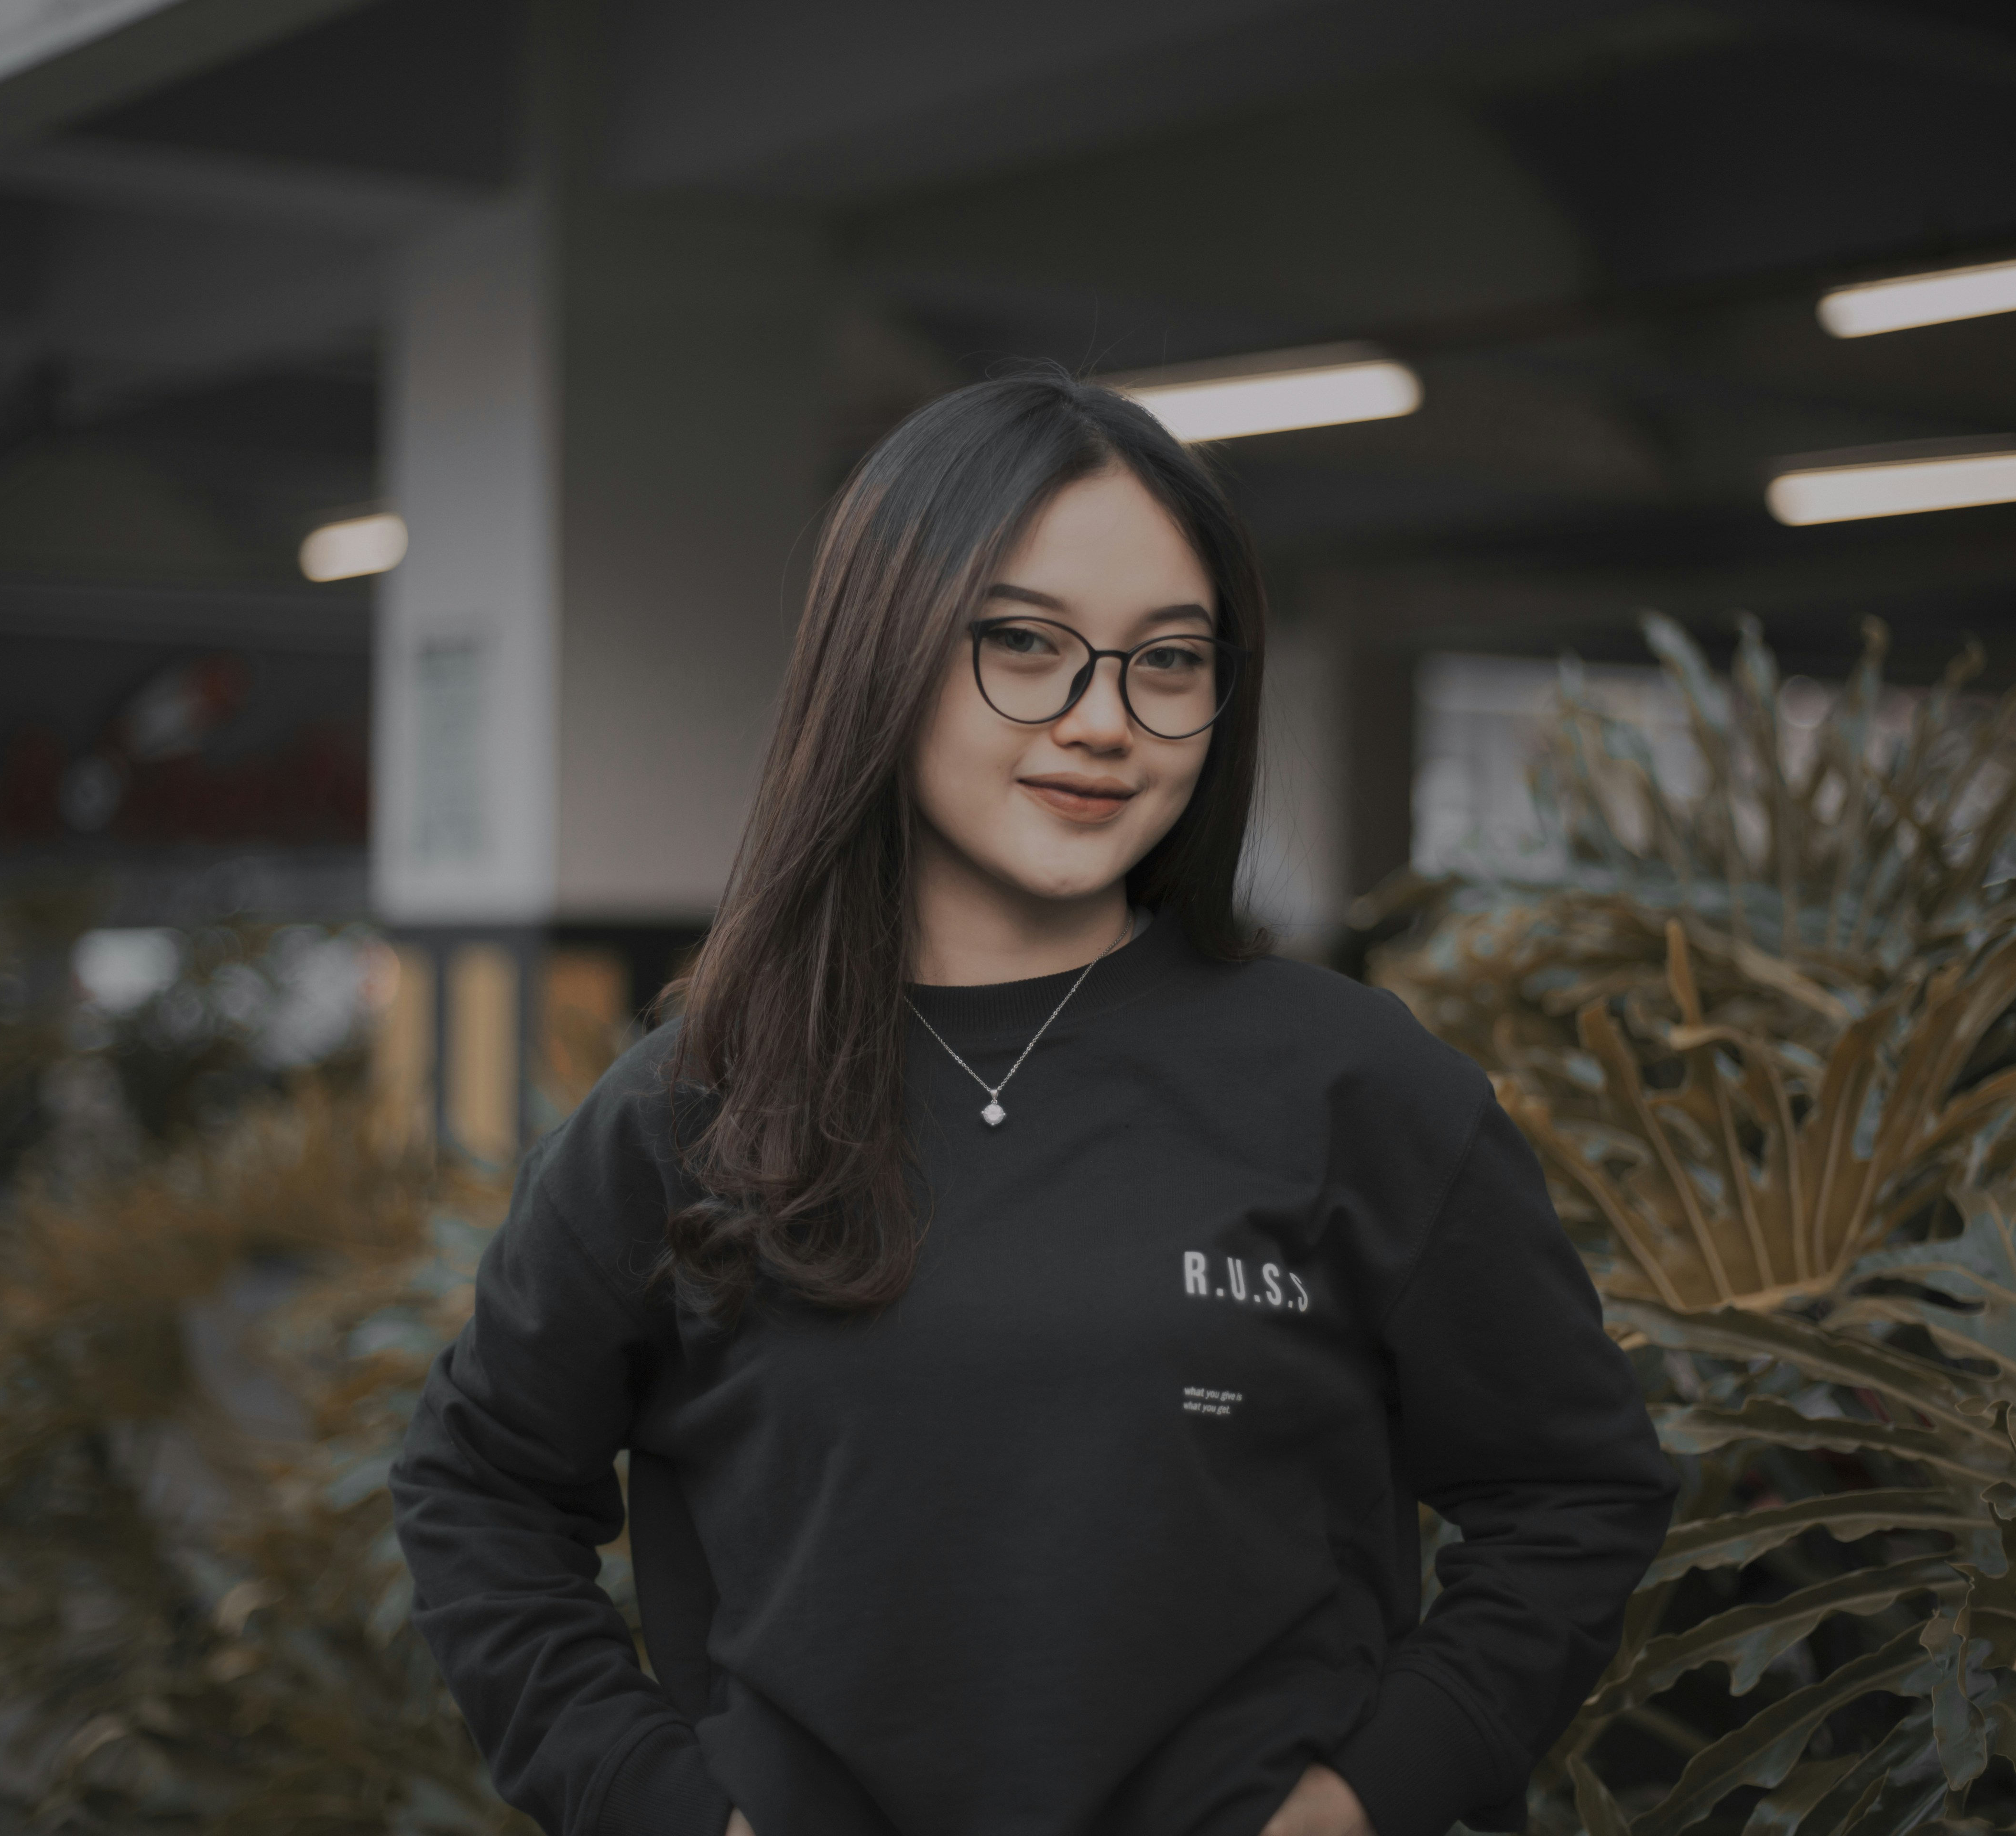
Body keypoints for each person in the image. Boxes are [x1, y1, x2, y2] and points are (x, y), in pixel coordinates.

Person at [389, 365, 1676, 1836]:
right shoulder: (701, 1105)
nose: (1101, 718)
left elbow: (1577, 1490)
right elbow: (478, 1483)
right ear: (887, 653)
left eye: (1168, 661)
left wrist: (1375, 1794)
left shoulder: (1358, 1087)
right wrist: (658, 1807)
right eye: (1024, 644)